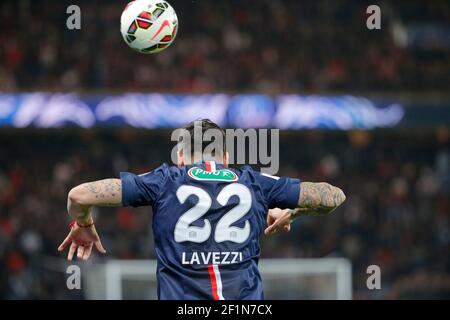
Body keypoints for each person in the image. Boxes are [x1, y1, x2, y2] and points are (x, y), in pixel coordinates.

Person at [58, 119, 346, 300]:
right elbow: (333, 196)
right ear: (225, 156)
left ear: (180, 157)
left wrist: (83, 225)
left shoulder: (163, 181)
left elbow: (79, 195)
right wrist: (294, 212)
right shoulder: (255, 183)